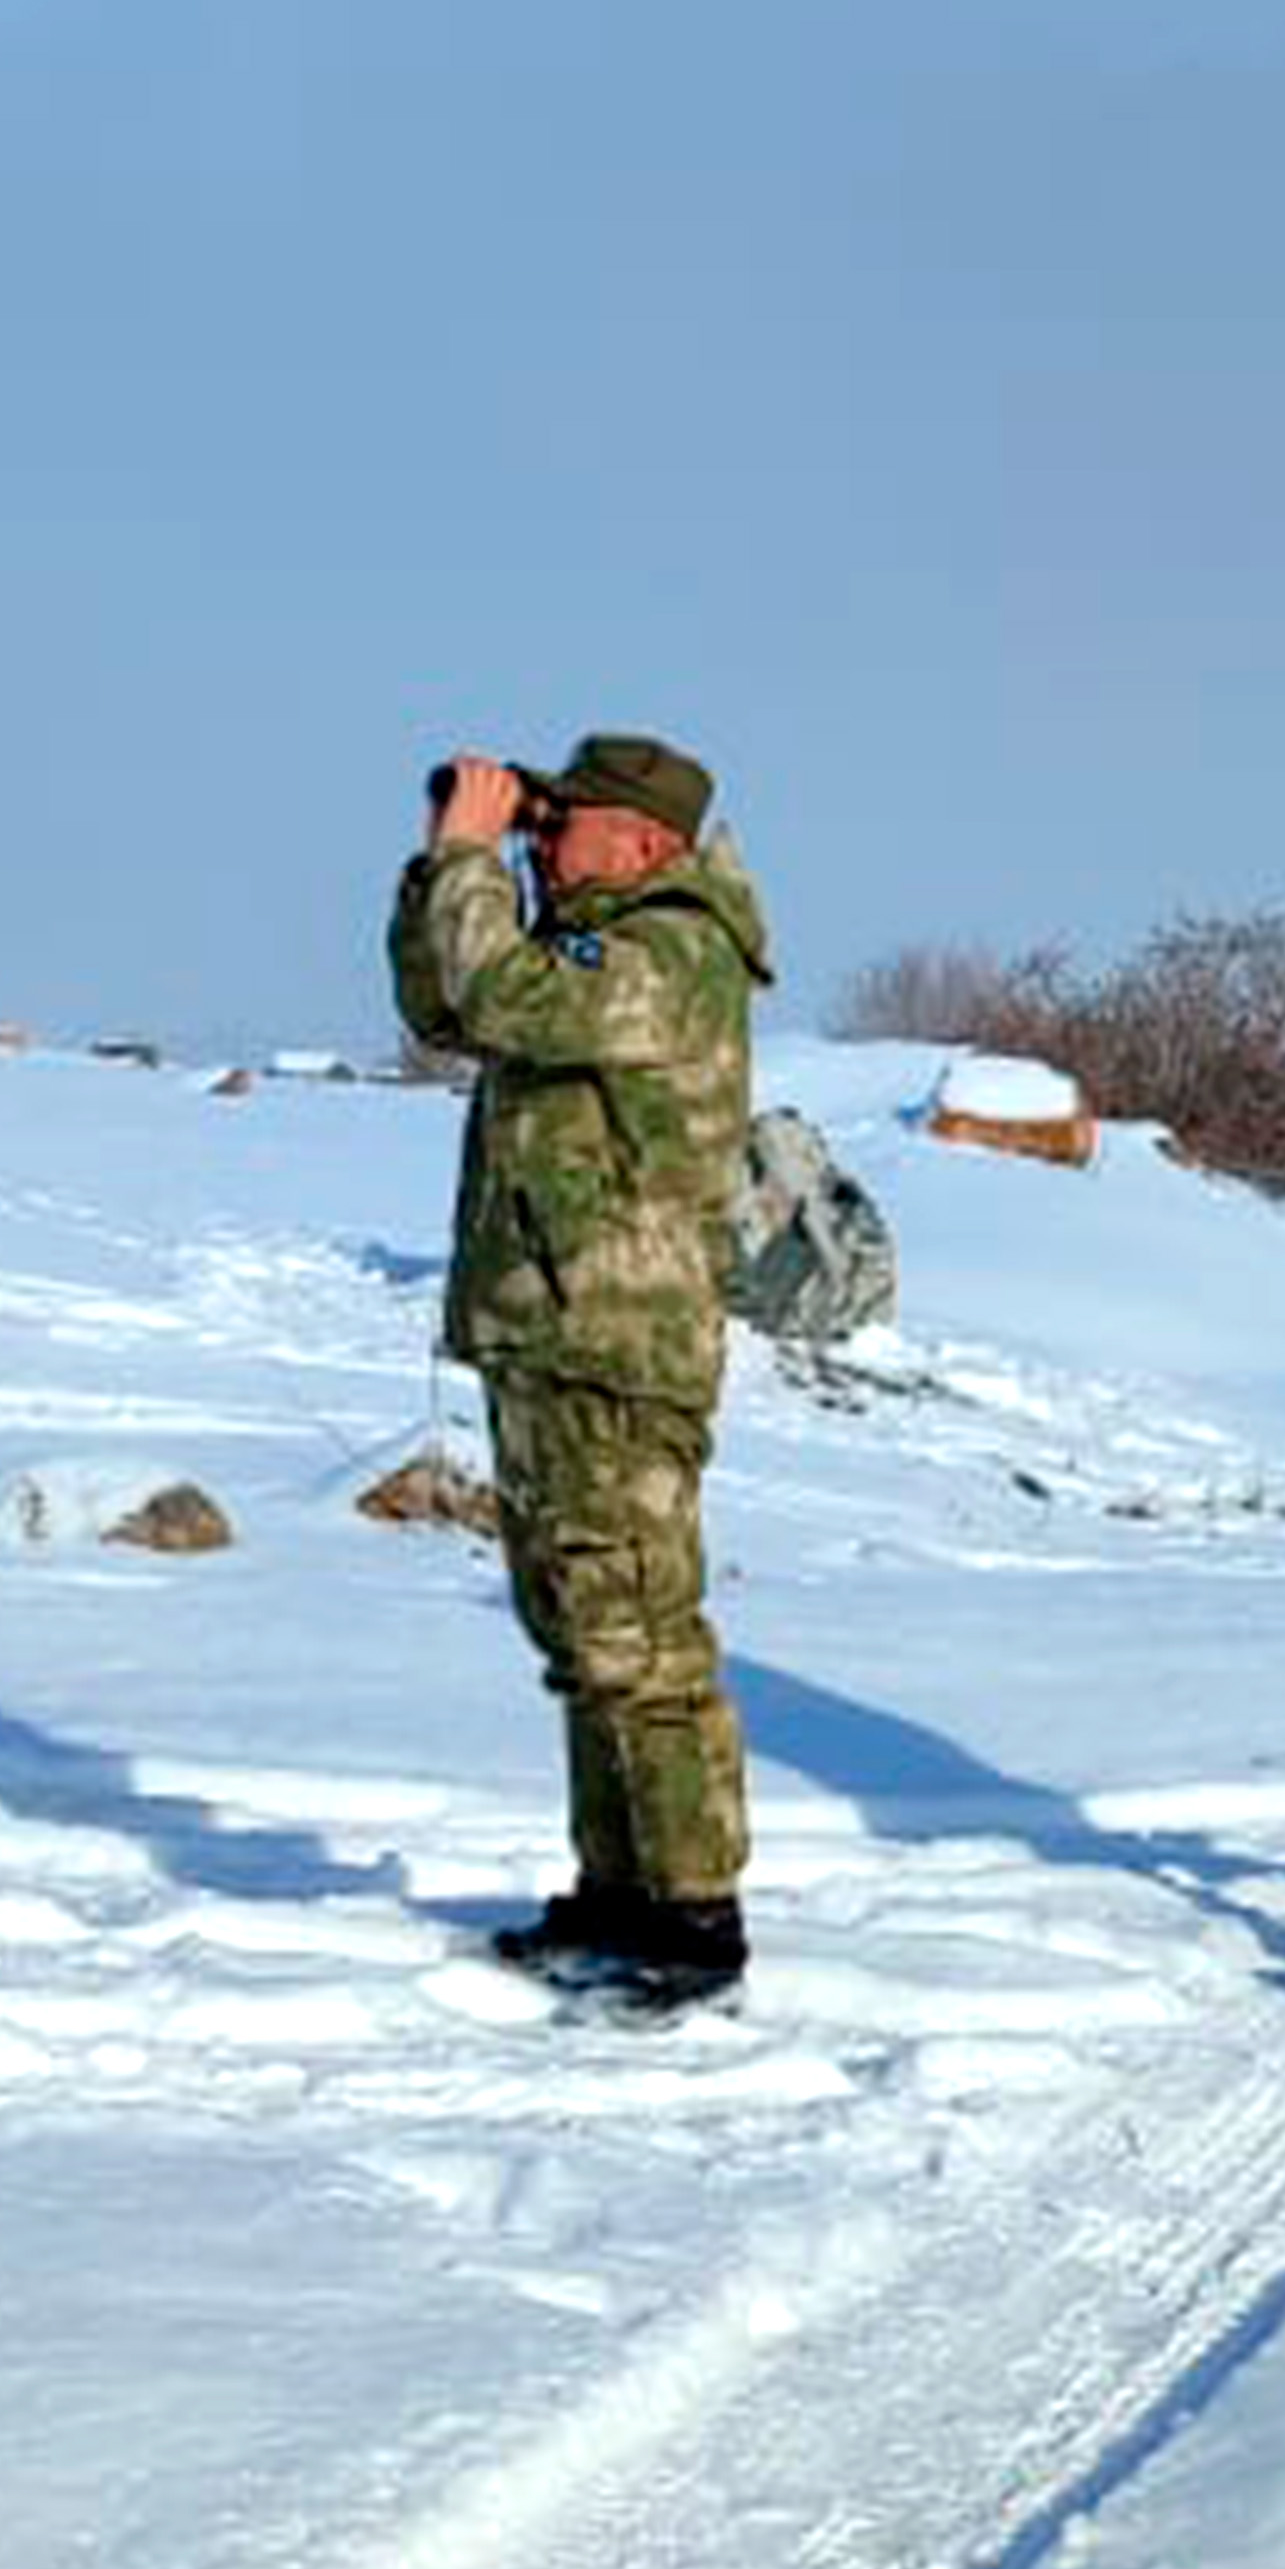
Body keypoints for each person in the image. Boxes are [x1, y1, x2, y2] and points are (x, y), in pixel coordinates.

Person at [389, 732, 778, 2007]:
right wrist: (442, 860)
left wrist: (469, 863)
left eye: (564, 825)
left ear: (646, 839)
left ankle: (694, 1910)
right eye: (535, 826)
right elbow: (445, 1004)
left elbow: (500, 995)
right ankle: (620, 1888)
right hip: (548, 1334)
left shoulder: (671, 945)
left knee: (639, 1631)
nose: (541, 843)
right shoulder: (577, 945)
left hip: (618, 1348)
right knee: (576, 1627)